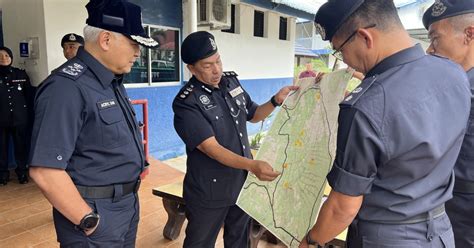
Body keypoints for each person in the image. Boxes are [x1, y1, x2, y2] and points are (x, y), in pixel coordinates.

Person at [300, 0, 471, 247]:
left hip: (385, 238)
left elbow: (342, 207)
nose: (345, 61)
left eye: (340, 50)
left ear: (364, 37)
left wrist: (310, 241)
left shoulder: (364, 107)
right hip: (442, 231)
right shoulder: (453, 73)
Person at [28, 0, 158, 247]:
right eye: (133, 44)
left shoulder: (111, 82)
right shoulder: (67, 87)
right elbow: (45, 171)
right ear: (106, 40)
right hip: (93, 215)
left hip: (125, 206)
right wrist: (88, 220)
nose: (138, 53)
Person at [173, 31, 298, 247]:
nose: (217, 70)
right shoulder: (187, 102)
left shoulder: (231, 83)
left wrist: (276, 100)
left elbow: (254, 114)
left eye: (218, 61)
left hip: (240, 187)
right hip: (208, 193)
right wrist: (252, 165)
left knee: (239, 242)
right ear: (192, 69)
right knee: (199, 243)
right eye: (207, 65)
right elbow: (211, 148)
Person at [423, 1, 474, 247]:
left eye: (435, 39)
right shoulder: (453, 85)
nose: (429, 50)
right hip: (445, 202)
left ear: (469, 34)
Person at [0, 46, 34, 185]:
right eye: (0, 56)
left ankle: (22, 172)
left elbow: (28, 96)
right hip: (1, 119)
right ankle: (3, 174)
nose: (3, 58)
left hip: (19, 118)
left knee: (21, 146)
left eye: (6, 55)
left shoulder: (20, 74)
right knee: (1, 148)